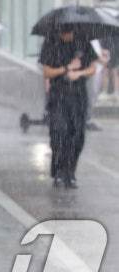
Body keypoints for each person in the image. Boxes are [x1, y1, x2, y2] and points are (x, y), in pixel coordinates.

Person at [38, 25, 97, 189]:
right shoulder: (50, 42)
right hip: (58, 95)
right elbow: (47, 72)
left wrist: (79, 73)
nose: (67, 37)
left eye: (70, 33)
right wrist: (66, 68)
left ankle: (70, 172)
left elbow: (92, 68)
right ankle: (58, 172)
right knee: (59, 133)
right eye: (64, 34)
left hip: (78, 96)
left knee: (77, 135)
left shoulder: (84, 40)